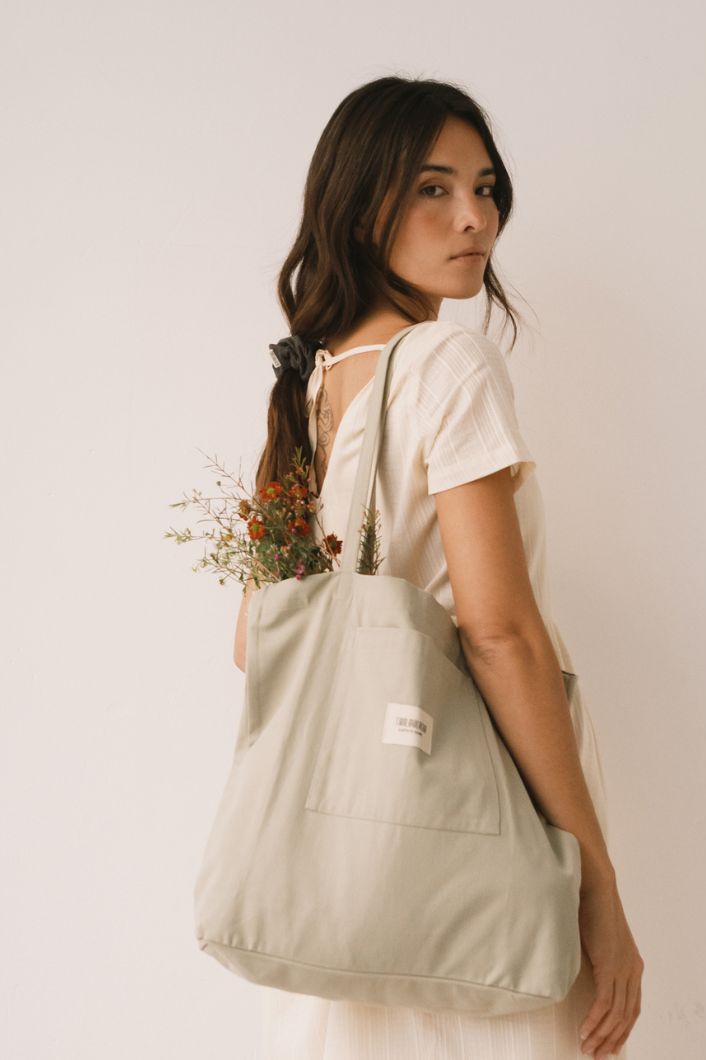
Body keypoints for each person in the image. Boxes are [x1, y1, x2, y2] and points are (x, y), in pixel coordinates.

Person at [234, 75, 644, 1059]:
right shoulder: (445, 365)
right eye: (433, 188)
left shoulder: (306, 384)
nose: (474, 217)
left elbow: (255, 643)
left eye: (485, 187)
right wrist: (595, 883)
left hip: (341, 864)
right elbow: (498, 635)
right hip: (472, 835)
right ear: (358, 206)